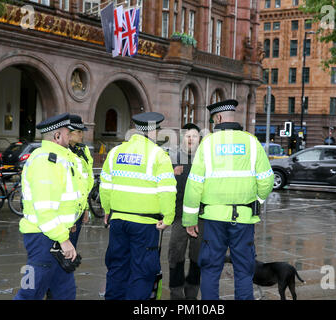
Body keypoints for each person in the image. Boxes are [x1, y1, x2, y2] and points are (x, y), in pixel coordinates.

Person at [182, 100, 274, 300]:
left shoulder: (208, 144)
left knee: (210, 268)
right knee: (244, 269)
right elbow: (267, 180)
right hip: (243, 219)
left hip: (213, 219)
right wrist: (255, 202)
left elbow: (194, 184)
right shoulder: (251, 142)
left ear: (219, 118)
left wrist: (189, 220)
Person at [100, 111, 177, 300]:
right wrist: (168, 218)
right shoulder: (159, 155)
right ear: (152, 132)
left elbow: (105, 185)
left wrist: (107, 210)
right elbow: (167, 190)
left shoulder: (115, 152)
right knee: (142, 271)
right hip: (144, 224)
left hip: (118, 220)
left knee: (117, 267)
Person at [14, 112, 85, 300]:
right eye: (68, 133)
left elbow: (65, 198)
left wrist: (70, 223)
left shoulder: (61, 157)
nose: (71, 136)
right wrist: (63, 239)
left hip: (54, 235)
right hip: (43, 239)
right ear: (58, 136)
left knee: (65, 292)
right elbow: (44, 208)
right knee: (29, 293)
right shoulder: (46, 161)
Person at [167, 123, 203, 300]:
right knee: (176, 257)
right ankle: (176, 295)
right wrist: (171, 173)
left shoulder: (205, 159)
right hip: (179, 217)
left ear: (199, 139)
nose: (190, 139)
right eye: (187, 135)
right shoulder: (172, 157)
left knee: (197, 259)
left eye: (194, 136)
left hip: (201, 218)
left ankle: (192, 296)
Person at [68, 114, 94, 248]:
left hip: (79, 208)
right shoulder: (62, 151)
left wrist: (86, 208)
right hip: (65, 211)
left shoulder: (83, 150)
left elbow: (87, 181)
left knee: (72, 248)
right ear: (69, 132)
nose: (82, 135)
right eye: (79, 132)